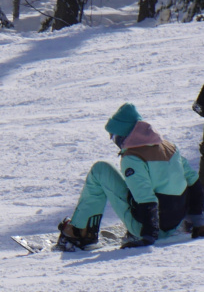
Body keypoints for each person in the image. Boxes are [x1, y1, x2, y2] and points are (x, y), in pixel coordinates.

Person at [57, 103, 204, 250]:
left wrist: (148, 236)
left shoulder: (133, 157)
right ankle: (175, 226)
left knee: (100, 170)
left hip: (153, 229)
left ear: (124, 135)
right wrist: (199, 223)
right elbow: (193, 181)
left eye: (113, 137)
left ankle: (79, 232)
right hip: (175, 223)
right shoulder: (169, 147)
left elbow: (146, 198)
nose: (114, 142)